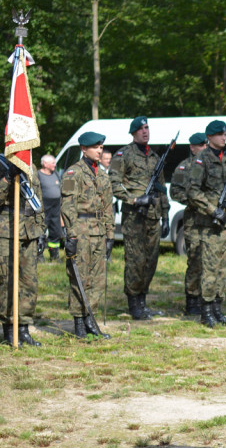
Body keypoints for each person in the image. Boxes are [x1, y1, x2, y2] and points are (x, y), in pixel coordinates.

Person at [110, 116, 169, 320]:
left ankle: (143, 301)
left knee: (151, 260)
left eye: (147, 128)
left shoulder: (154, 157)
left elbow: (162, 188)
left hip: (153, 217)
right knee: (135, 260)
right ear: (134, 132)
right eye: (141, 129)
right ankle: (133, 302)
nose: (145, 131)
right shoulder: (123, 154)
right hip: (134, 217)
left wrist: (166, 215)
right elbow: (114, 182)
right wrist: (134, 199)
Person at [0, 155, 45, 345]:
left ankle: (23, 327)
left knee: (29, 282)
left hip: (29, 231)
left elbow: (38, 200)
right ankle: (9, 329)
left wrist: (40, 229)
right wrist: (7, 177)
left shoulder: (31, 164)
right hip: (5, 230)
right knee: (7, 281)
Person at [185, 120, 226, 328]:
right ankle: (205, 310)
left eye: (225, 134)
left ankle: (217, 310)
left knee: (224, 268)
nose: (223, 137)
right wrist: (212, 210)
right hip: (210, 223)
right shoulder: (202, 159)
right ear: (210, 137)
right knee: (209, 267)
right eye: (219, 134)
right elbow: (193, 192)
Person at [61, 132, 113, 339]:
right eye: (96, 147)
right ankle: (79, 323)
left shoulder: (103, 175)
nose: (100, 150)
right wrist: (71, 235)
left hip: (99, 231)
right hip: (81, 230)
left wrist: (110, 235)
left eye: (101, 146)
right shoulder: (73, 173)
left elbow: (108, 207)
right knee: (80, 277)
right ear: (84, 149)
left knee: (98, 279)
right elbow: (67, 205)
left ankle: (91, 319)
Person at [171, 133, 208, 316]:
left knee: (209, 260)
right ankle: (192, 300)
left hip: (210, 220)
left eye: (205, 144)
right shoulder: (184, 167)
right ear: (192, 147)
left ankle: (207, 298)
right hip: (194, 220)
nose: (204, 147)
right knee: (194, 260)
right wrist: (192, 200)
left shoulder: (212, 165)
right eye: (200, 145)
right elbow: (174, 191)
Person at [37, 154, 64, 262]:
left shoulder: (56, 174)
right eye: (52, 163)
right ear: (45, 164)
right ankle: (39, 255)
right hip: (44, 206)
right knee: (41, 231)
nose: (55, 164)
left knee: (56, 231)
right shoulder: (38, 175)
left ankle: (54, 256)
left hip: (56, 207)